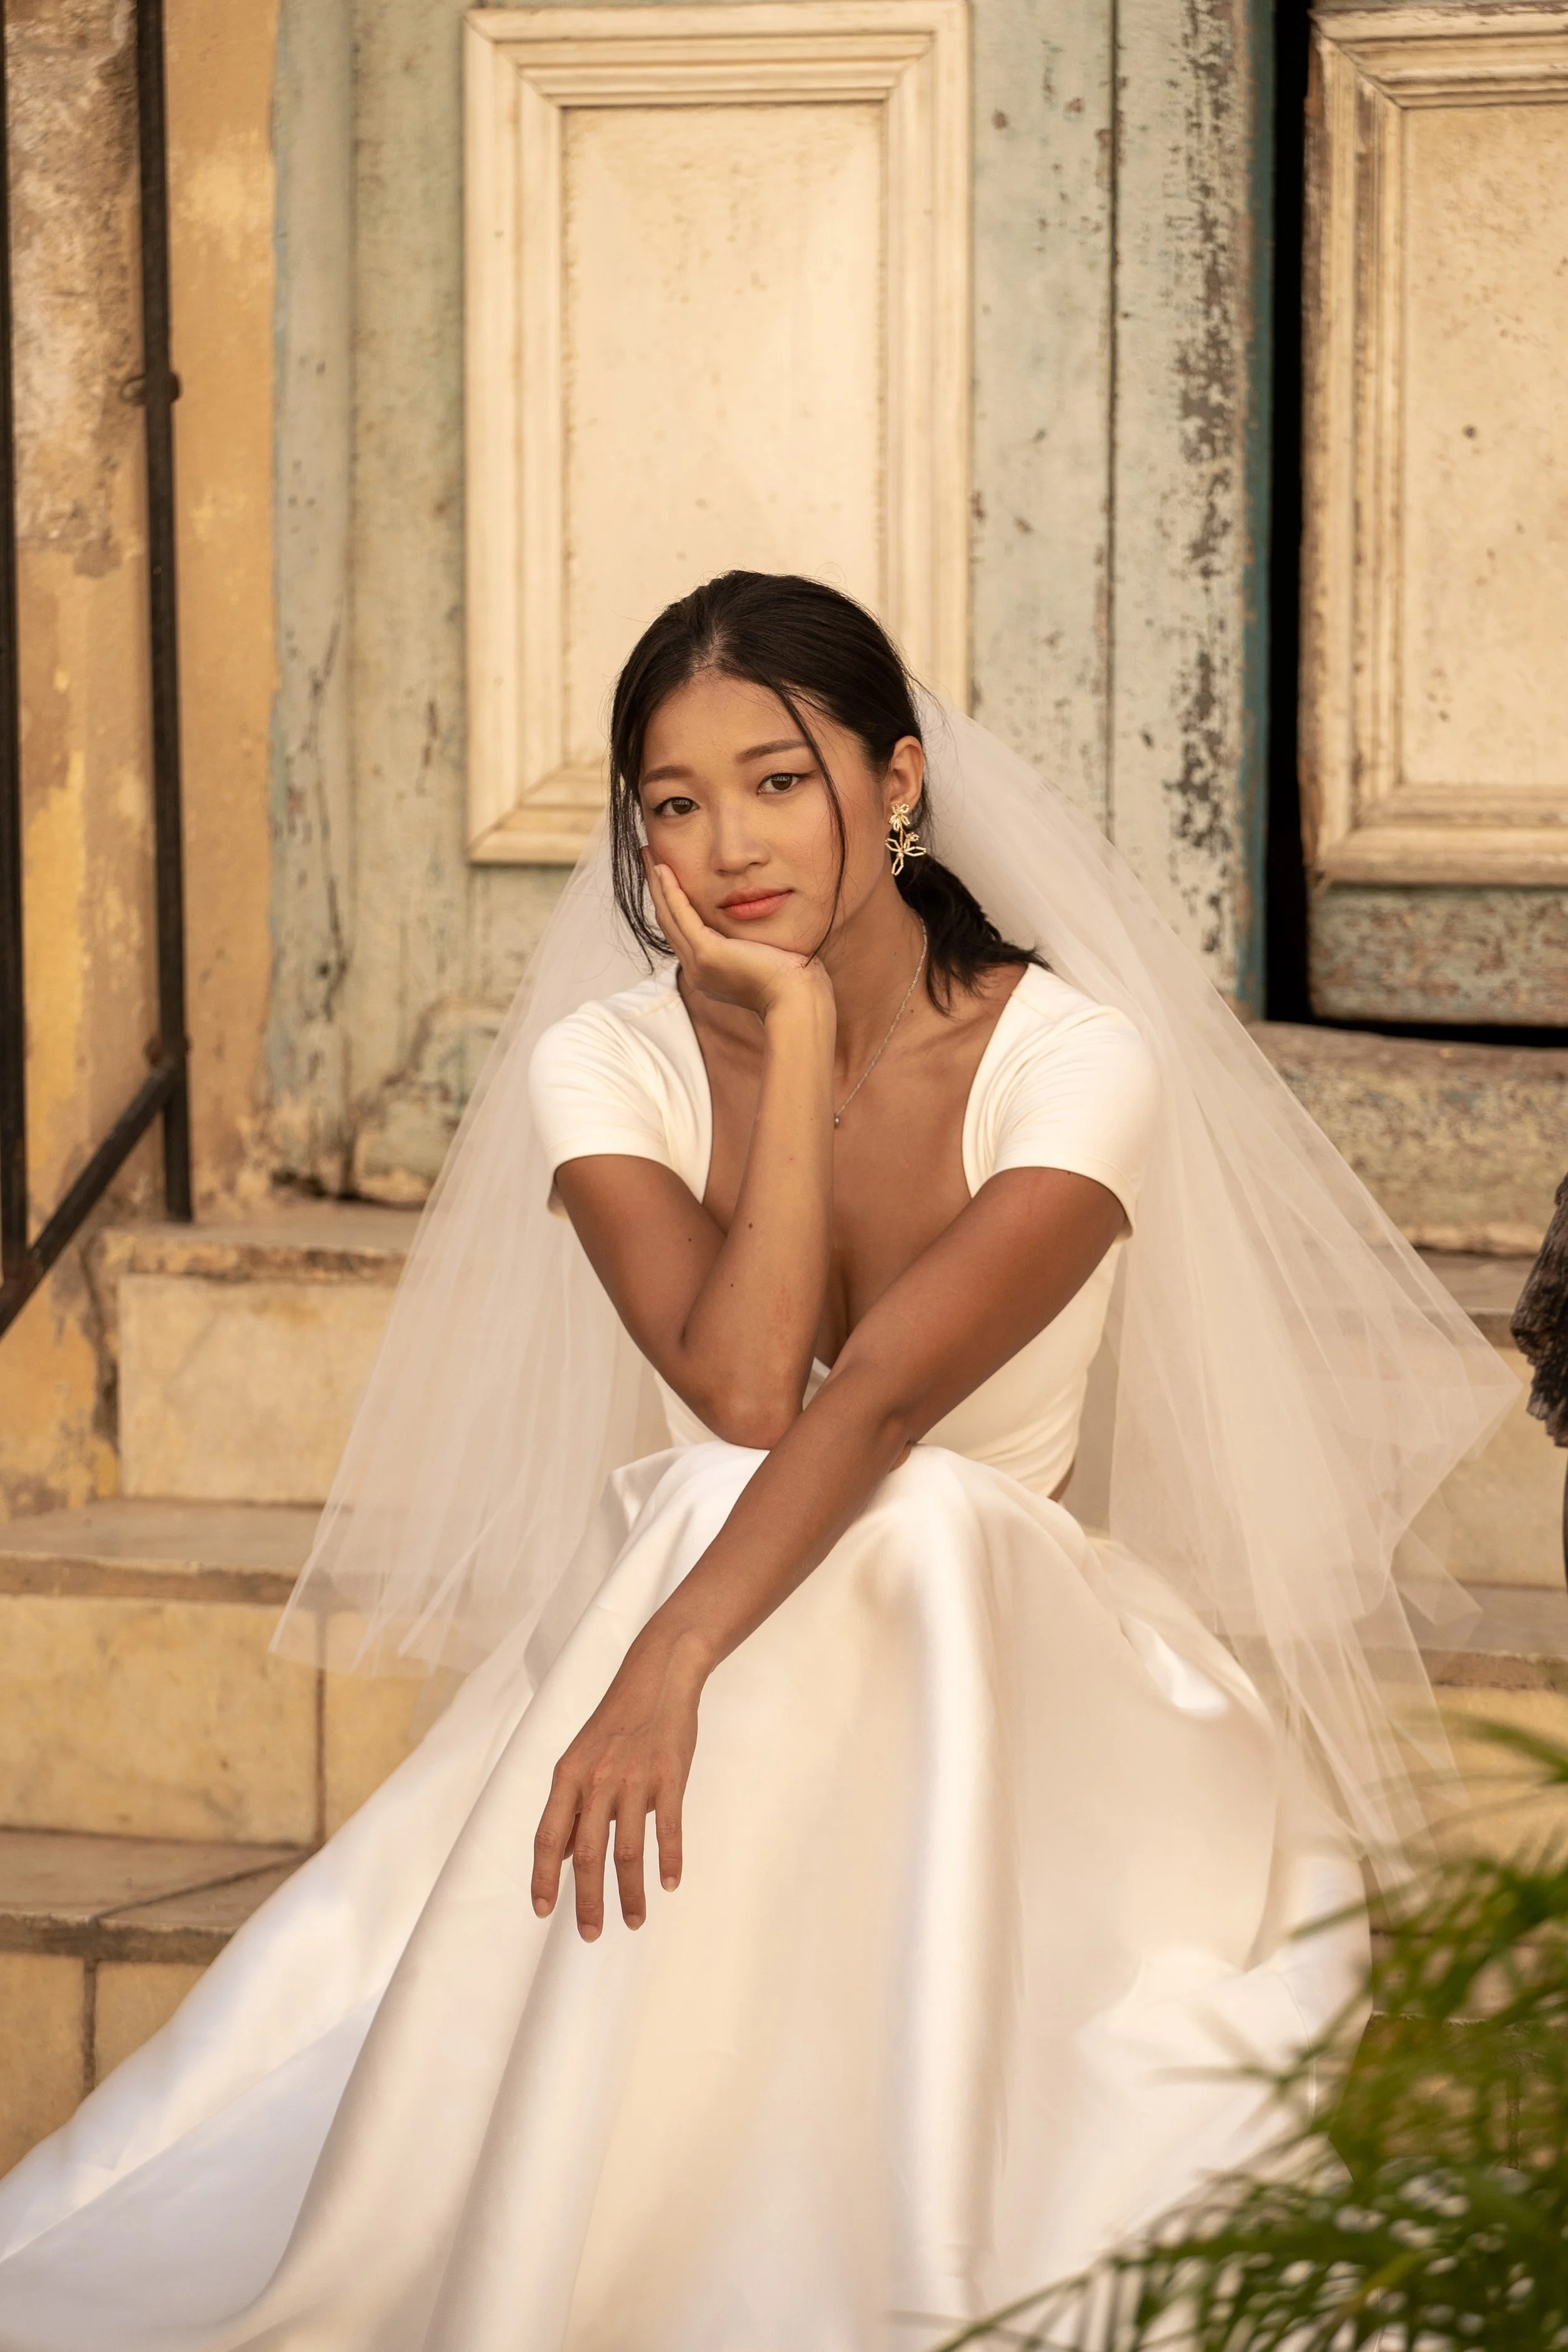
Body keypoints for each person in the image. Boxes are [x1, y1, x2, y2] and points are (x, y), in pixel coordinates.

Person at [0, 576, 1513, 2351]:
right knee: (744, 1490)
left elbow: (866, 1402)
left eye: (777, 779)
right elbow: (737, 1385)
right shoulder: (608, 1062)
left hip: (1000, 1678)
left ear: (895, 785)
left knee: (929, 1514)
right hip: (716, 1643)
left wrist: (672, 1652)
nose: (726, 841)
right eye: (671, 799)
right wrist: (790, 1042)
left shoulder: (1076, 1061)